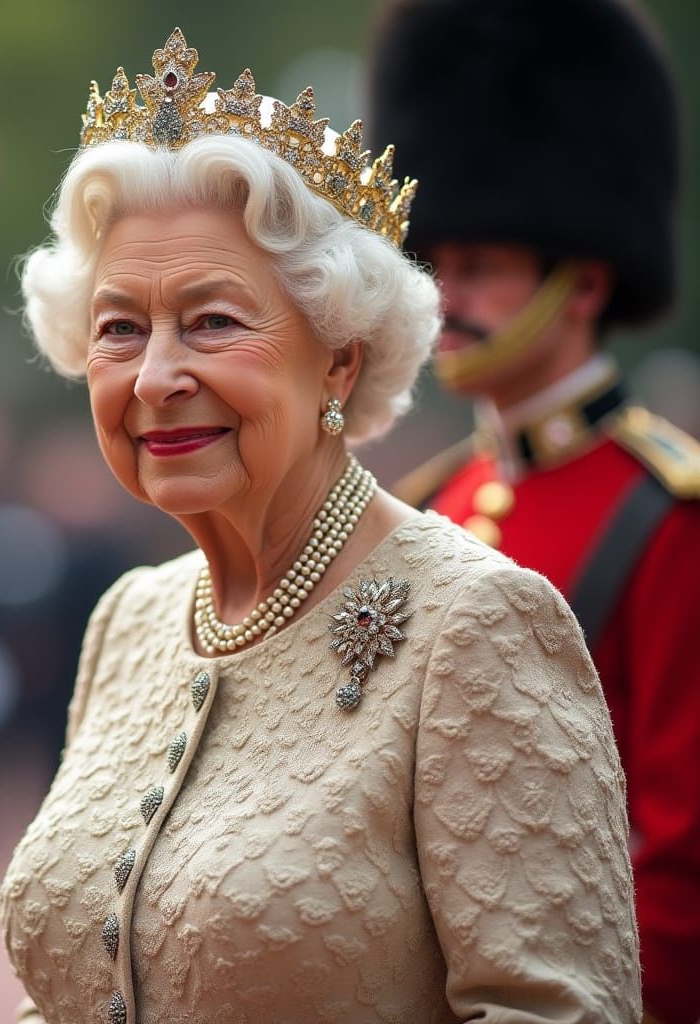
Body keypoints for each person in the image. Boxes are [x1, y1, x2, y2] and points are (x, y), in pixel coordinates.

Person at [0, 29, 641, 1023]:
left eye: (212, 320)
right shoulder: (127, 619)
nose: (156, 376)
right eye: (119, 326)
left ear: (338, 360)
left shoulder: (477, 623)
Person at [367, 3, 700, 1020]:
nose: (445, 296)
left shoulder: (666, 514)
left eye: (483, 269)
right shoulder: (422, 506)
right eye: (436, 265)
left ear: (584, 277)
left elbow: (680, 858)